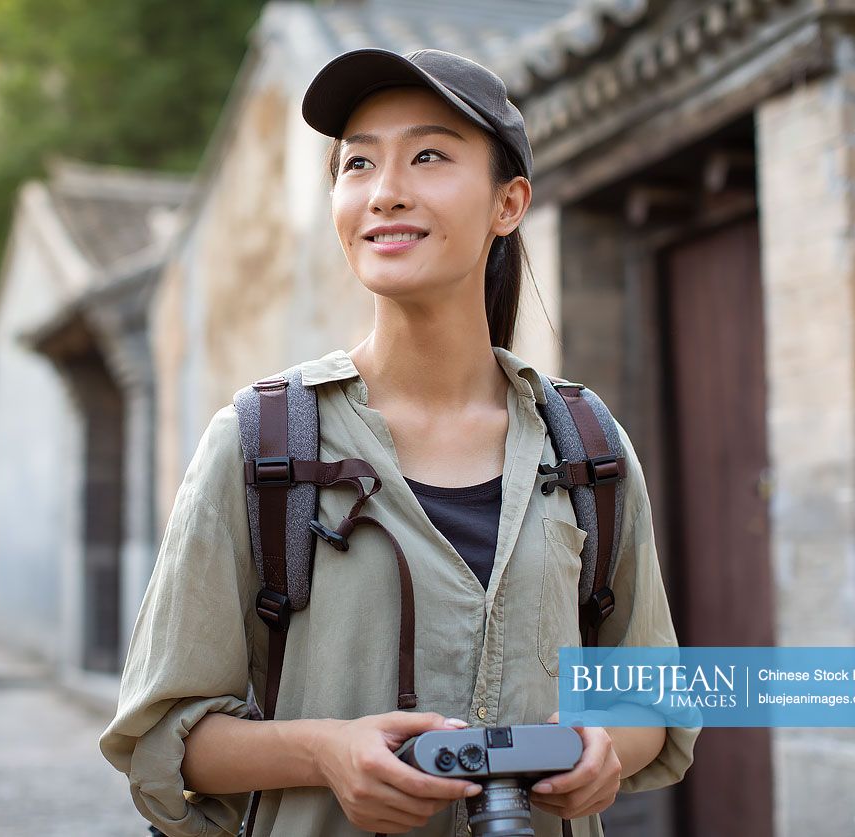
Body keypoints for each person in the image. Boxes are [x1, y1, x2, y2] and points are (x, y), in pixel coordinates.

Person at [100, 47, 698, 837]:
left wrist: (597, 747)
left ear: (507, 203)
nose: (384, 192)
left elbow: (647, 699)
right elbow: (164, 738)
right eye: (357, 164)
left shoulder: (584, 442)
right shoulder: (258, 443)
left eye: (427, 156)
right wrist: (326, 753)